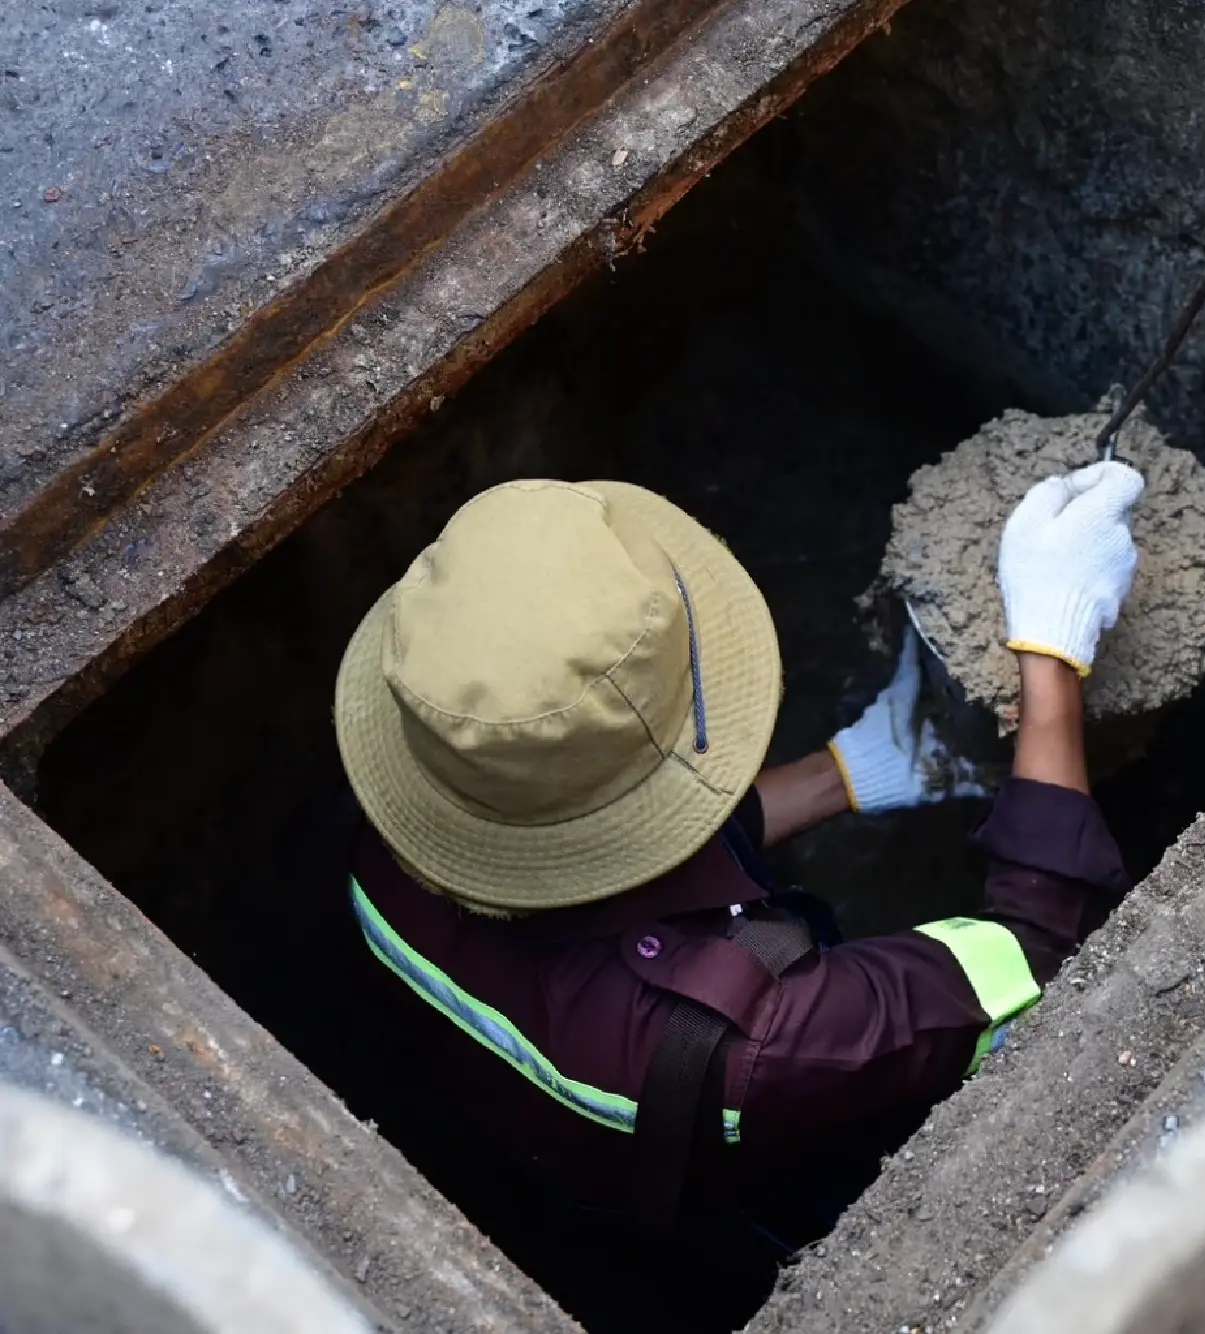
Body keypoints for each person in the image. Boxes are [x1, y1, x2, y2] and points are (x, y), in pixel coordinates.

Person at [329, 463, 1145, 1321]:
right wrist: (1051, 655)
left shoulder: (397, 807)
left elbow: (576, 837)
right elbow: (1043, 950)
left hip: (502, 1134)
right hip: (706, 1204)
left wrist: (846, 775)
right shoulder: (760, 1042)